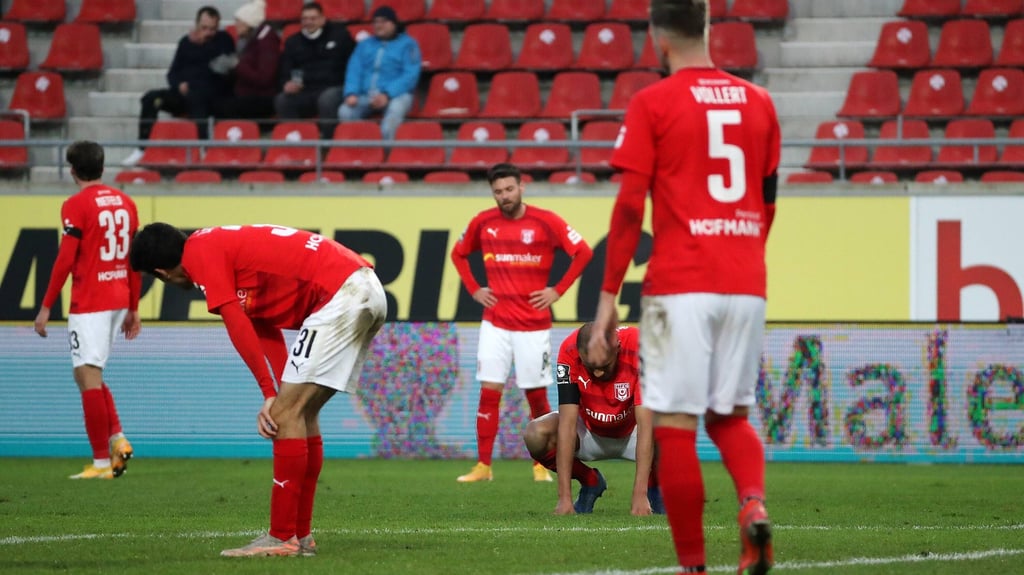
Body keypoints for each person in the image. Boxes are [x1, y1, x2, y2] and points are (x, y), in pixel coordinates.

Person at [588, 0, 780, 573]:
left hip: (679, 284)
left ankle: (693, 565)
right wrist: (741, 259)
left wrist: (606, 303)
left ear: (657, 38)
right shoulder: (760, 102)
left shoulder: (653, 101)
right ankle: (752, 504)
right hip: (745, 280)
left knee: (675, 427)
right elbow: (768, 204)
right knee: (732, 416)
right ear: (707, 28)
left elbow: (628, 211)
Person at [129, 222, 386, 558]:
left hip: (343, 293)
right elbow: (261, 321)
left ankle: (281, 538)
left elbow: (234, 320)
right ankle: (301, 536)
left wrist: (269, 393)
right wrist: (277, 391)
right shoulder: (216, 244)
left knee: (286, 414)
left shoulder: (199, 255)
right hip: (363, 286)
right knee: (300, 413)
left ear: (160, 272)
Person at [451, 162, 593, 484]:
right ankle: (483, 467)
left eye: (509, 189)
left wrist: (557, 290)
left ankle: (541, 464)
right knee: (489, 390)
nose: (504, 196)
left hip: (533, 324)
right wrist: (474, 289)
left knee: (536, 394)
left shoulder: (545, 221)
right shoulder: (483, 223)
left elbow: (583, 252)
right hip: (496, 323)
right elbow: (458, 254)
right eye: (498, 191)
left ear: (521, 186)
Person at [34, 141, 141, 480]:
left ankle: (100, 463)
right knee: (87, 374)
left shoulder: (76, 205)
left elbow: (66, 259)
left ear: (72, 170)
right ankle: (117, 439)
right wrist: (134, 307)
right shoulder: (126, 202)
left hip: (91, 298)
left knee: (87, 374)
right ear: (101, 165)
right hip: (119, 295)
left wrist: (46, 305)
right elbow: (134, 259)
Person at [524, 323, 663, 516]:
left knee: (670, 425)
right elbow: (567, 425)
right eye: (591, 367)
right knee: (535, 434)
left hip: (634, 433)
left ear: (617, 347)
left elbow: (646, 425)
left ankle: (654, 489)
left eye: (604, 366)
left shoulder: (641, 348)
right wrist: (564, 498)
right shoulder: (569, 350)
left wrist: (639, 494)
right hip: (588, 432)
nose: (597, 373)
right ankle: (590, 480)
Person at [122, 6, 235, 166]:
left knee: (199, 96)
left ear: (217, 26)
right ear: (196, 24)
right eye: (204, 28)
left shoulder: (224, 40)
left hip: (209, 95)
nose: (208, 32)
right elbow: (172, 73)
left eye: (212, 29)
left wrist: (202, 46)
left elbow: (219, 70)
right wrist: (179, 84)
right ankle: (142, 148)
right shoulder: (186, 42)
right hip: (183, 95)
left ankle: (203, 149)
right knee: (151, 98)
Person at [337, 6, 421, 141]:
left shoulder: (408, 45)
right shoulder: (364, 44)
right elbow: (354, 69)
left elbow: (410, 75)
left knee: (394, 114)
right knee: (345, 111)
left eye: (383, 21)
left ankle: (386, 155)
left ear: (394, 23)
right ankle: (364, 149)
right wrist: (351, 92)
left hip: (396, 96)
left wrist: (387, 94)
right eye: (376, 22)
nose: (378, 25)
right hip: (366, 95)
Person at [275, 1, 355, 137]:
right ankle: (297, 142)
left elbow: (354, 65)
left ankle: (328, 144)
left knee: (326, 99)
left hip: (334, 88)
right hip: (305, 90)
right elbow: (284, 72)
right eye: (305, 19)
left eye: (313, 18)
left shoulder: (340, 36)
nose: (308, 22)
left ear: (323, 19)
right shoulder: (293, 42)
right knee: (283, 100)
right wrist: (287, 84)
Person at [212, 0, 281, 120]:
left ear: (249, 23)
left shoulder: (267, 42)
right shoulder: (246, 41)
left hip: (262, 97)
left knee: (223, 107)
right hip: (245, 93)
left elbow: (264, 79)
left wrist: (237, 65)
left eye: (238, 21)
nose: (236, 24)